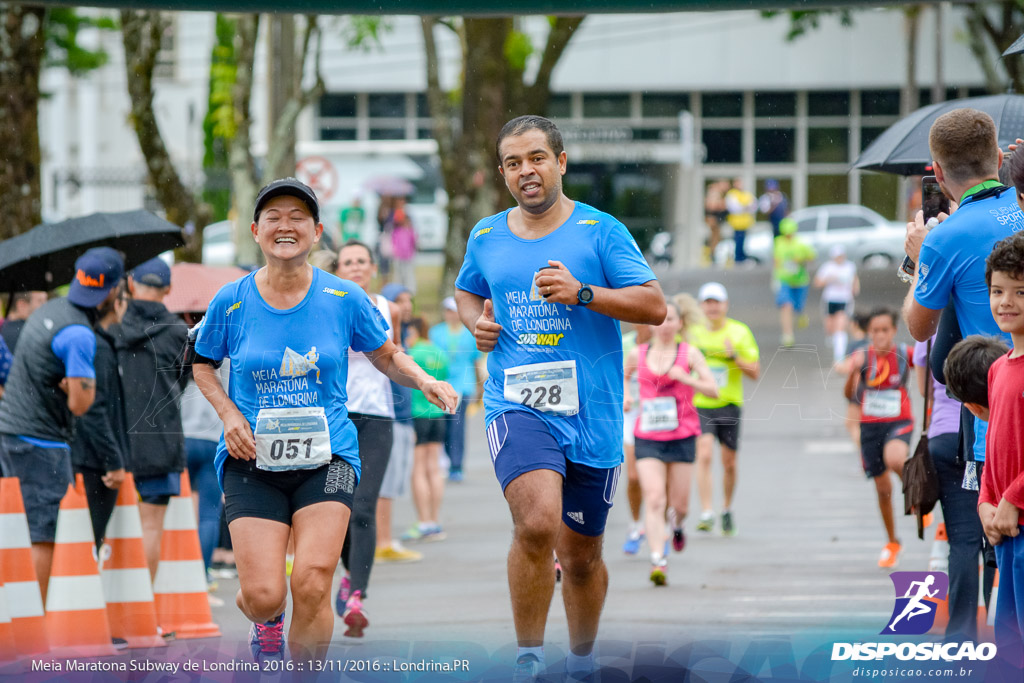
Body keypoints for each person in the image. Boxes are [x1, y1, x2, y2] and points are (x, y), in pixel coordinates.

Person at [192, 178, 457, 663]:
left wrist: (424, 381)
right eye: (274, 217)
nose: (285, 226)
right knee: (265, 594)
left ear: (316, 233)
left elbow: (386, 354)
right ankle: (266, 619)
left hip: (329, 454)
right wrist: (228, 414)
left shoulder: (343, 298)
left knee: (313, 582)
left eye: (298, 217)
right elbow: (201, 361)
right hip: (251, 457)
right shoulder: (230, 300)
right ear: (256, 231)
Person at [454, 115, 666, 681]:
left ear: (561, 162)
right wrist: (478, 325)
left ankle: (581, 661)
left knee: (581, 558)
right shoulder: (486, 235)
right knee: (537, 522)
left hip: (592, 416)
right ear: (502, 173)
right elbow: (467, 289)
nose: (527, 171)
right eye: (514, 163)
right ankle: (528, 658)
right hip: (516, 402)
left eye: (537, 158)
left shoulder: (602, 231)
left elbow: (654, 306)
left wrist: (584, 293)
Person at [902, 108, 1023, 486]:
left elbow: (919, 328)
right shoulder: (1021, 203)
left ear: (937, 172)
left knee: (999, 536)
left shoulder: (944, 238)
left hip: (993, 410)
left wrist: (918, 262)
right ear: (1000, 159)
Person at [0, 247, 123, 601]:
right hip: (42, 441)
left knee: (21, 526)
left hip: (13, 429)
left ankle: (20, 613)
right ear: (113, 291)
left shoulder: (52, 309)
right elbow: (81, 404)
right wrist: (82, 386)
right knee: (44, 531)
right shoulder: (80, 335)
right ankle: (34, 619)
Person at [333, 238, 402, 637]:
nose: (356, 267)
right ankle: (348, 572)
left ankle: (357, 594)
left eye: (362, 261)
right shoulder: (326, 305)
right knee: (338, 507)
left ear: (372, 268)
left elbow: (392, 355)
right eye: (348, 262)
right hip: (337, 418)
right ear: (338, 270)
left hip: (376, 419)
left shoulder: (383, 307)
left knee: (362, 507)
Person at [623, 296, 717, 586]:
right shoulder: (637, 354)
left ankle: (676, 527)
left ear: (680, 324)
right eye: (660, 320)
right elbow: (623, 378)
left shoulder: (689, 354)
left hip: (683, 435)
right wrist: (626, 395)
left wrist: (687, 379)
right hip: (648, 436)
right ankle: (657, 560)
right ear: (652, 324)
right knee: (654, 498)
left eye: (671, 320)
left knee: (680, 505)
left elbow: (712, 389)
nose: (665, 326)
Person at [114, 257, 190, 581]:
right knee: (150, 527)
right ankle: (142, 614)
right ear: (168, 288)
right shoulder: (178, 331)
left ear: (131, 284)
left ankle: (110, 616)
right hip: (160, 440)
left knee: (109, 529)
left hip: (112, 441)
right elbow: (183, 381)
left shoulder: (112, 325)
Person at [913, 335, 983, 642]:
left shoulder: (928, 334)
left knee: (963, 541)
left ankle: (961, 633)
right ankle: (1008, 624)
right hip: (981, 438)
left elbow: (923, 390)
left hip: (943, 439)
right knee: (995, 539)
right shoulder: (985, 325)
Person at [977, 233, 1024, 655]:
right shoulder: (998, 369)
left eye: (1021, 291)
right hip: (1004, 528)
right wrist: (986, 502)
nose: (1006, 301)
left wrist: (1013, 497)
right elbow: (994, 448)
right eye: (997, 290)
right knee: (1008, 644)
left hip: (1020, 516)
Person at [843, 307, 915, 569]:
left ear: (893, 331)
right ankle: (893, 542)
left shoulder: (904, 354)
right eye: (875, 331)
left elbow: (932, 370)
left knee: (895, 458)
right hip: (870, 426)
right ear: (869, 332)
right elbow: (847, 392)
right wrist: (852, 373)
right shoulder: (862, 358)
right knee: (882, 489)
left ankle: (915, 493)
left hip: (899, 421)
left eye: (885, 330)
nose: (881, 335)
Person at [690, 282, 760, 536]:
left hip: (729, 404)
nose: (712, 307)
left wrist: (733, 357)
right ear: (700, 306)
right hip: (701, 404)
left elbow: (755, 372)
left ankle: (726, 508)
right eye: (707, 302)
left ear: (726, 305)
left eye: (716, 302)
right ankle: (707, 512)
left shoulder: (739, 332)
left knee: (729, 462)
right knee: (705, 453)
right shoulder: (692, 334)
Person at [71, 281, 130, 554]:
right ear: (117, 304)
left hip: (86, 457)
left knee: (84, 543)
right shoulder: (101, 348)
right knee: (87, 545)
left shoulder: (94, 341)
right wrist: (113, 461)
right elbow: (96, 409)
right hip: (95, 464)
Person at [375, 283, 422, 564]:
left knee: (394, 480)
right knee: (385, 481)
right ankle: (382, 540)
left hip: (404, 417)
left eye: (408, 300)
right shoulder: (385, 339)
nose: (406, 306)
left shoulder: (405, 336)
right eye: (399, 300)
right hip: (387, 415)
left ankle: (385, 538)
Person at [402, 316, 450, 542]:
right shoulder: (439, 351)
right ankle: (435, 520)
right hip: (437, 414)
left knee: (418, 469)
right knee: (434, 467)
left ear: (413, 332)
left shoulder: (413, 354)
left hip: (417, 413)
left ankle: (423, 521)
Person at [430, 296, 483, 483]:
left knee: (457, 427)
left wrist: (479, 386)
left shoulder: (469, 333)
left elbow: (476, 361)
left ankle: (457, 465)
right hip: (441, 385)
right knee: (443, 426)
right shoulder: (435, 333)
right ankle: (446, 459)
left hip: (463, 385)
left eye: (453, 311)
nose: (450, 314)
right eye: (447, 311)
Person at [620, 324, 645, 555]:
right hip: (631, 415)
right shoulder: (624, 343)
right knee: (634, 475)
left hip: (659, 414)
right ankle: (636, 525)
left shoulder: (667, 344)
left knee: (662, 478)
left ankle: (664, 526)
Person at [773, 217, 816, 347]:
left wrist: (801, 259)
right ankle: (788, 335)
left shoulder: (801, 244)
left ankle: (800, 314)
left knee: (798, 306)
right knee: (786, 305)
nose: (788, 236)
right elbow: (776, 260)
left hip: (800, 281)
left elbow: (812, 257)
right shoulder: (778, 242)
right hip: (784, 280)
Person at [815, 245, 859, 363]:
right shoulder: (827, 267)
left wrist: (855, 289)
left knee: (840, 326)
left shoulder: (850, 266)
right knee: (830, 327)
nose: (839, 258)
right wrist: (829, 279)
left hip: (844, 300)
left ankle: (839, 356)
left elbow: (855, 279)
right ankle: (835, 341)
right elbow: (817, 282)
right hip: (830, 299)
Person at [725, 178, 757, 264]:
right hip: (737, 223)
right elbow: (735, 208)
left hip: (745, 223)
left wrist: (745, 207)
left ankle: (742, 257)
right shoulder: (732, 194)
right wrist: (746, 207)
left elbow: (754, 206)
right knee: (738, 241)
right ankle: (738, 258)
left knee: (743, 241)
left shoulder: (746, 194)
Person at [390, 201, 417, 293]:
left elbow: (414, 241)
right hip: (398, 255)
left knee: (408, 273)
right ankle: (399, 289)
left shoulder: (410, 231)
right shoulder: (396, 231)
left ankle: (410, 289)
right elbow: (394, 242)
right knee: (398, 274)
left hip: (408, 255)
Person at [703, 180, 728, 264]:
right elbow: (711, 206)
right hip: (713, 219)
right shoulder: (714, 193)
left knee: (716, 238)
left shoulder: (718, 193)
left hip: (716, 220)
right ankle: (712, 255)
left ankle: (714, 254)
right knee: (714, 238)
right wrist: (722, 204)